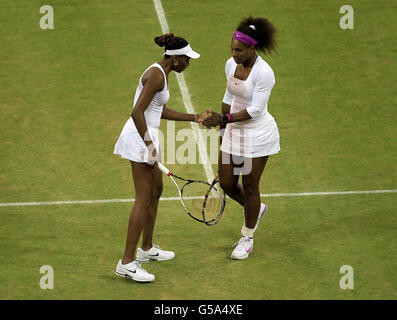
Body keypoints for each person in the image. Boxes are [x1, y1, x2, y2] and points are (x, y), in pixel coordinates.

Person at [113, 33, 208, 282]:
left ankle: (146, 250)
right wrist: (149, 146)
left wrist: (194, 117)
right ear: (176, 59)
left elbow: (158, 109)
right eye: (187, 59)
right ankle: (126, 263)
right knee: (143, 199)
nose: (188, 63)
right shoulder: (156, 75)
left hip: (147, 135)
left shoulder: (163, 75)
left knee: (156, 190)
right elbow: (137, 112)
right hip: (140, 138)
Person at [202, 16, 280, 260]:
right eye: (232, 49)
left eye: (239, 50)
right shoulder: (230, 64)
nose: (234, 54)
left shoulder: (264, 73)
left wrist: (223, 121)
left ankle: (247, 237)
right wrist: (223, 134)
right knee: (226, 182)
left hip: (258, 133)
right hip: (234, 129)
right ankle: (256, 210)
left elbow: (256, 110)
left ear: (251, 47)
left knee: (250, 185)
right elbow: (227, 99)